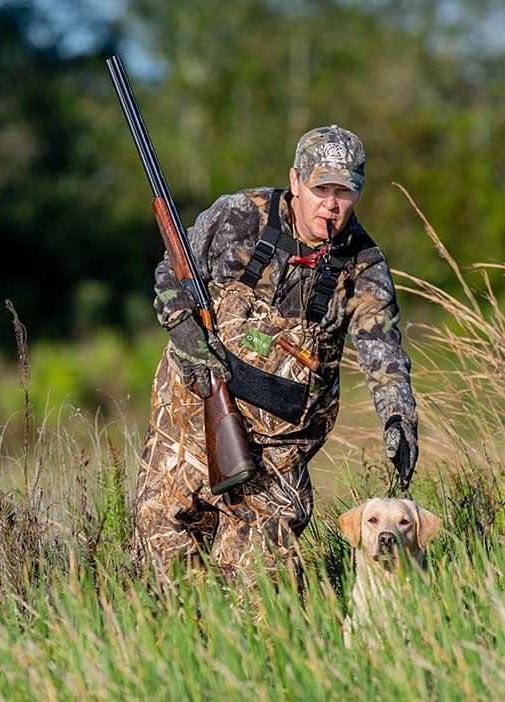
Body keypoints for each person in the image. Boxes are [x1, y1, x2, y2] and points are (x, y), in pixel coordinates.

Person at [133, 125, 418, 584]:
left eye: (344, 191)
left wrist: (398, 421)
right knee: (164, 548)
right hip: (190, 414)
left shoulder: (363, 264)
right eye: (321, 187)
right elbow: (172, 270)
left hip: (279, 445)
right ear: (296, 181)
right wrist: (183, 327)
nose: (331, 203)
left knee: (265, 581)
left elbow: (383, 352)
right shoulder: (238, 217)